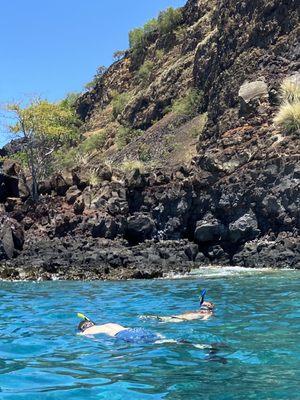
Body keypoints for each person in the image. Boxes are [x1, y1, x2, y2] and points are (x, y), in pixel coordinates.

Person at [77, 313, 160, 343]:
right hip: (134, 330)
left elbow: (83, 336)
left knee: (149, 342)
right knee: (157, 338)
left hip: (123, 335)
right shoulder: (108, 324)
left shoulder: (87, 331)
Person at [150, 289, 215, 323]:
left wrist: (200, 320)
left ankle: (159, 320)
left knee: (166, 320)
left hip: (183, 319)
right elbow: (202, 302)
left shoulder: (209, 313)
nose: (205, 303)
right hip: (180, 317)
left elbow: (204, 319)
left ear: (210, 307)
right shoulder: (201, 310)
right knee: (168, 318)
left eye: (208, 304)